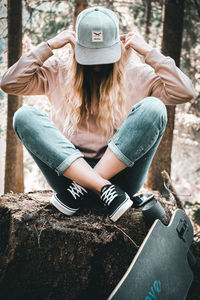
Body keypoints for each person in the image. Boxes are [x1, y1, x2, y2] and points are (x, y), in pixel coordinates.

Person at [0, 7, 195, 222]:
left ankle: (86, 186)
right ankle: (98, 185)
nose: (98, 65)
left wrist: (149, 52)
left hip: (121, 181)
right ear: (76, 48)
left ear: (118, 48)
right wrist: (48, 46)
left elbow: (185, 92)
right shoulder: (58, 70)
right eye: (90, 58)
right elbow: (9, 83)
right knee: (24, 116)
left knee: (154, 108)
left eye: (104, 57)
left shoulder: (137, 73)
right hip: (69, 179)